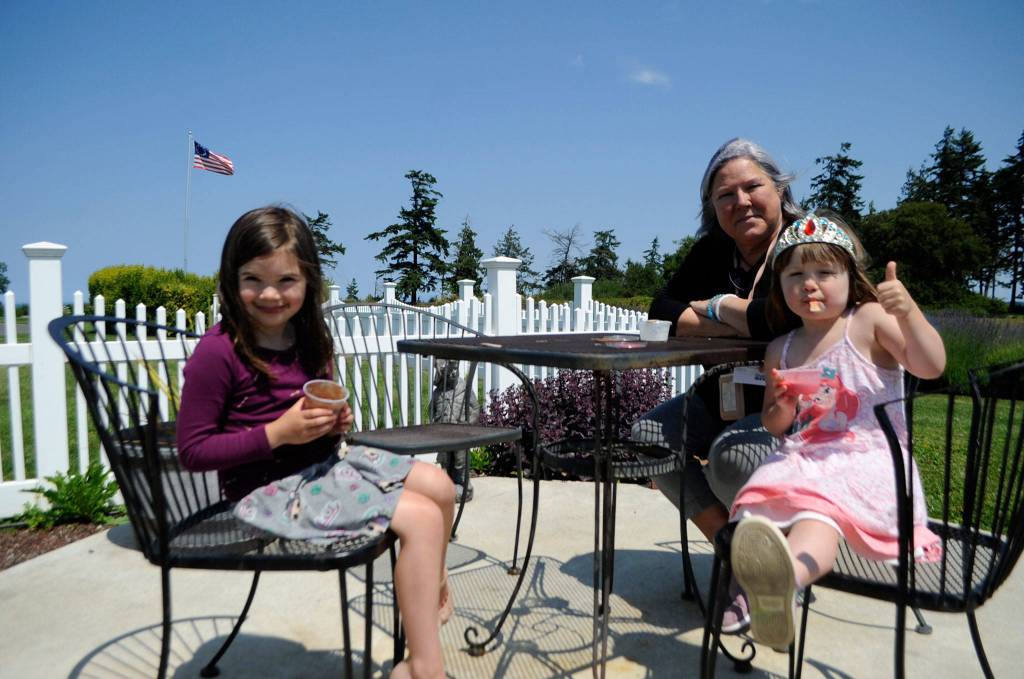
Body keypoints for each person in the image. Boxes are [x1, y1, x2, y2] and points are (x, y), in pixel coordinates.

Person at [176, 206, 454, 679]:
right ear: (230, 278)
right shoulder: (219, 350)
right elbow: (193, 450)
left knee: (441, 485)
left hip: (323, 468)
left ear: (308, 282)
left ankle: (433, 587)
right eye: (252, 279)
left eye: (286, 280)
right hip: (266, 493)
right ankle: (424, 668)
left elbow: (324, 421)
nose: (269, 294)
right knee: (423, 517)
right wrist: (275, 435)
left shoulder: (309, 340)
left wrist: (335, 422)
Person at [728, 211, 946, 649]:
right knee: (751, 513)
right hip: (804, 458)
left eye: (825, 272)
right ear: (780, 285)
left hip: (867, 457)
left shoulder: (867, 321)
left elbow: (931, 365)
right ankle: (753, 592)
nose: (809, 283)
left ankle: (786, 578)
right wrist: (783, 403)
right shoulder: (781, 348)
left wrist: (909, 313)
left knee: (817, 520)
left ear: (850, 276)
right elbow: (775, 425)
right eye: (795, 274)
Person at [633, 139, 804, 633]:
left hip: (798, 400)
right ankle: (737, 550)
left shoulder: (807, 239)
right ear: (712, 208)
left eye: (752, 186)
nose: (741, 202)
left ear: (778, 187)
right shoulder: (715, 249)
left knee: (734, 456)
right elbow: (661, 310)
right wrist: (737, 321)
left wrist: (716, 308)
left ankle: (762, 572)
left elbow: (784, 320)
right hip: (728, 388)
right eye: (725, 195)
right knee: (649, 438)